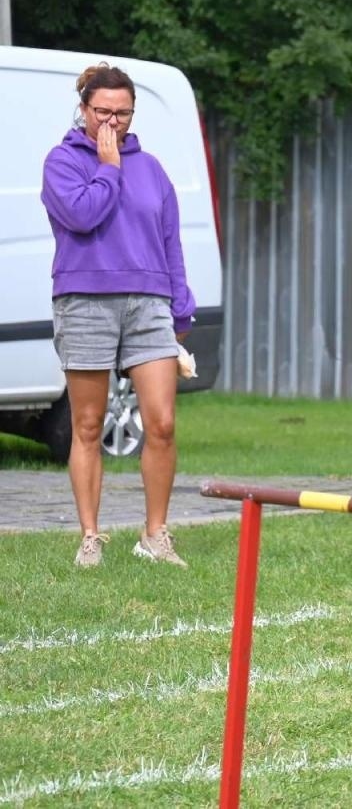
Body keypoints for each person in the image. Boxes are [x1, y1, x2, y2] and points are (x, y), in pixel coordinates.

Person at [41, 63, 196, 569]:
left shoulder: (151, 169)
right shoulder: (62, 162)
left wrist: (181, 309)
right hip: (85, 301)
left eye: (123, 113)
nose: (113, 122)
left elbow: (170, 239)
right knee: (87, 426)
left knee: (163, 423)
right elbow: (83, 215)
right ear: (83, 109)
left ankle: (155, 535)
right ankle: (90, 537)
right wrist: (108, 167)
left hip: (149, 303)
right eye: (102, 112)